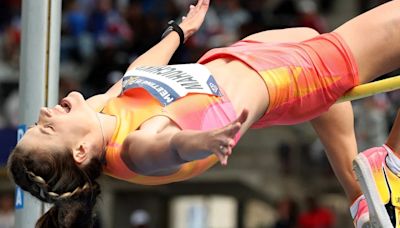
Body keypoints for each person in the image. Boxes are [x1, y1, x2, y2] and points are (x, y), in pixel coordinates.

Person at [7, 0, 400, 227]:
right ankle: (392, 164)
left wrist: (179, 33)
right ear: (79, 152)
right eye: (45, 130)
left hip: (248, 58)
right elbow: (167, 146)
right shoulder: (132, 148)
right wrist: (201, 141)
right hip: (288, 76)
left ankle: (364, 197)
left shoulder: (101, 114)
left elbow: (134, 78)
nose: (44, 112)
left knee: (326, 84)